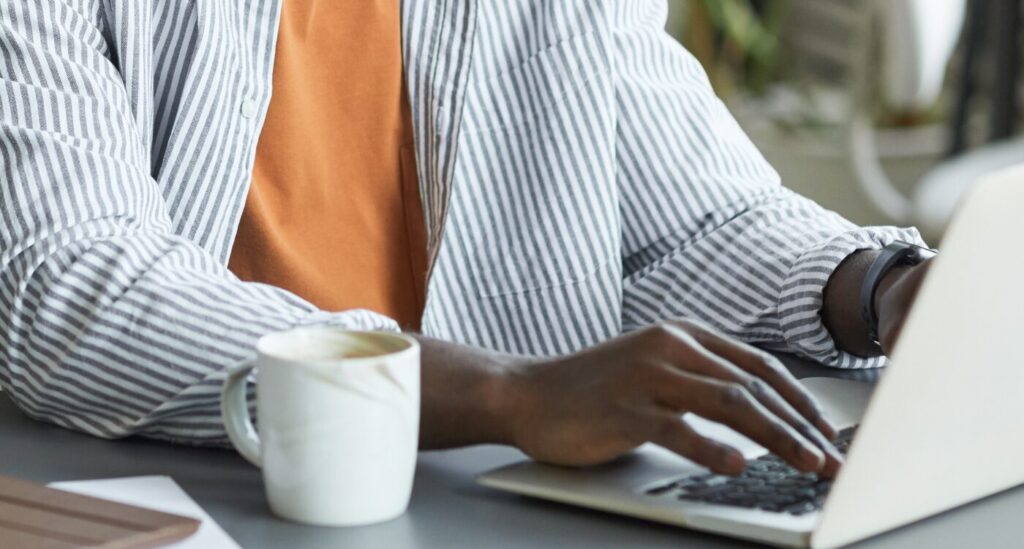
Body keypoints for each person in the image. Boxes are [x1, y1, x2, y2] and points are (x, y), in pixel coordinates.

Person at [0, 1, 930, 477]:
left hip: (488, 500)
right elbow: (70, 284)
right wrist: (506, 394)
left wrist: (880, 289)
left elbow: (691, 221)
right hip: (201, 492)